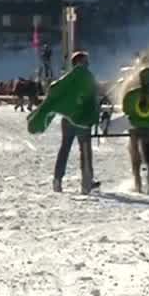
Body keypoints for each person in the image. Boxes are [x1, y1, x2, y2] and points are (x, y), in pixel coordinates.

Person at [51, 51, 96, 194]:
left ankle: (57, 180)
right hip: (82, 120)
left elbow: (54, 88)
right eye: (86, 61)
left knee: (64, 149)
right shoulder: (88, 77)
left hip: (68, 119)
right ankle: (86, 183)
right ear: (80, 62)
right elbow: (92, 100)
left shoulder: (67, 78)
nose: (88, 63)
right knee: (85, 151)